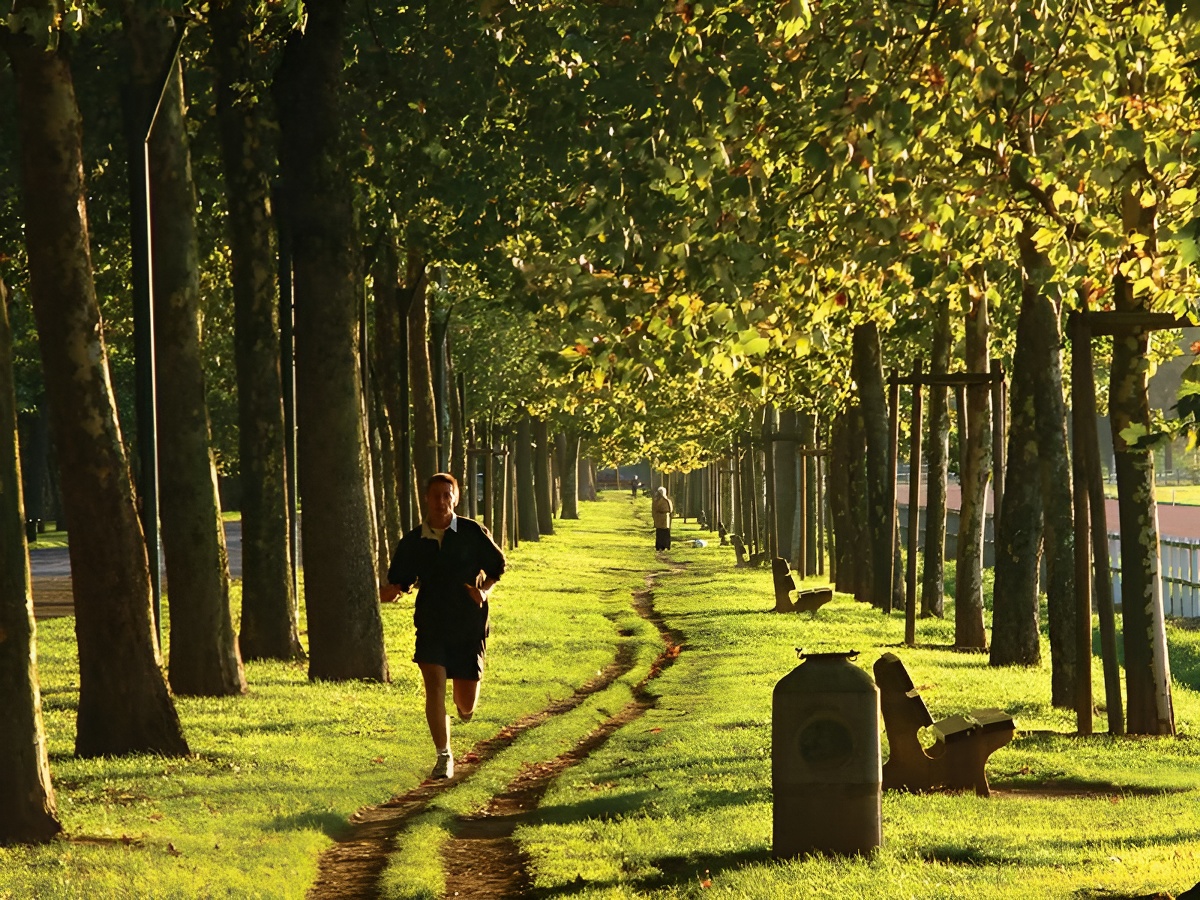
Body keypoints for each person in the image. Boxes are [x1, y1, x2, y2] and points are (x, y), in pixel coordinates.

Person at [380, 473, 506, 780]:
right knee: (433, 688)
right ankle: (444, 755)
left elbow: (498, 567)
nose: (440, 501)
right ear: (426, 498)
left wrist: (483, 591)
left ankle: (464, 712)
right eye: (435, 495)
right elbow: (400, 580)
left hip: (468, 623)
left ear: (455, 499)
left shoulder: (472, 532)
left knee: (465, 703)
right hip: (431, 622)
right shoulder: (413, 541)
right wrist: (394, 591)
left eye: (446, 495)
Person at [652, 485, 673, 551]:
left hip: (665, 518)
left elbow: (670, 509)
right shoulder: (656, 501)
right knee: (659, 532)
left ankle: (666, 545)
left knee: (665, 532)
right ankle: (659, 546)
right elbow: (654, 509)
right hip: (659, 518)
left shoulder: (667, 501)